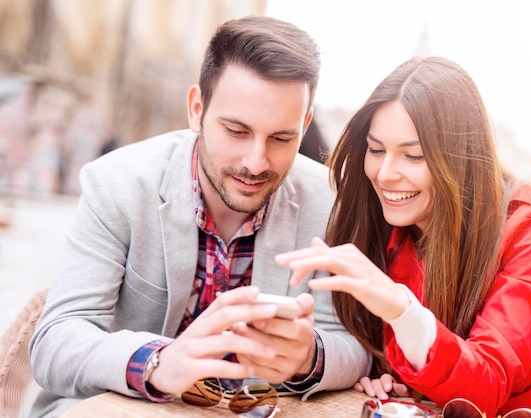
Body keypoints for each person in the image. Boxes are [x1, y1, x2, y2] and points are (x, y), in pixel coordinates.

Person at [28, 15, 369, 417]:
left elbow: (353, 348)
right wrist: (156, 362)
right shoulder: (116, 183)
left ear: (305, 124)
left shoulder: (331, 203)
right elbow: (54, 341)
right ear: (196, 109)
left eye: (281, 138)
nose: (256, 162)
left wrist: (308, 357)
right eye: (236, 131)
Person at [275, 56, 531, 417]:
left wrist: (400, 309)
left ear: (460, 157)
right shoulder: (383, 220)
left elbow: (487, 383)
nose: (385, 174)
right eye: (376, 150)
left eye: (413, 156)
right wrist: (385, 377)